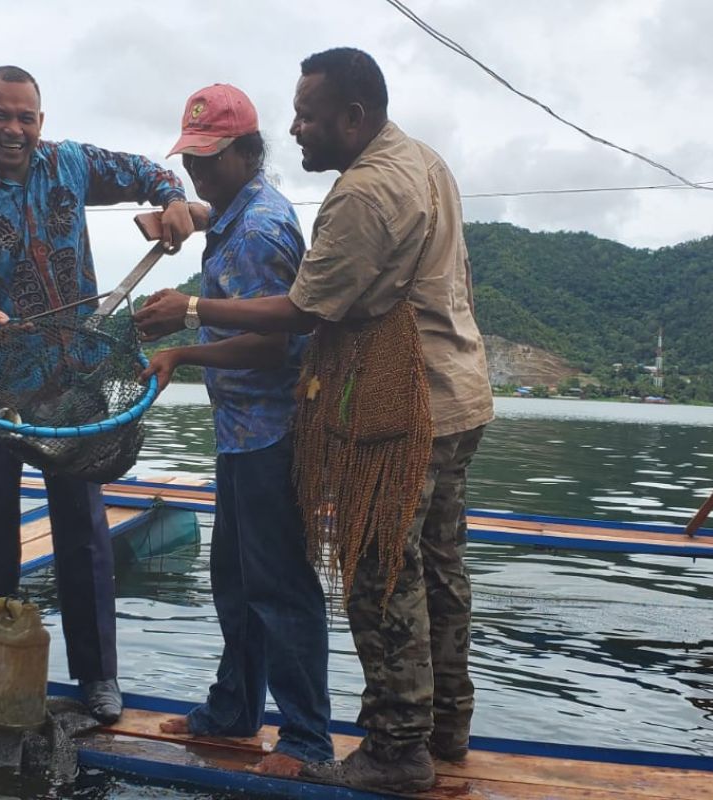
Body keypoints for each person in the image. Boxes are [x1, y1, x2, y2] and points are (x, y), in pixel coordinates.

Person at [135, 48, 494, 794]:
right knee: (437, 571)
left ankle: (390, 749)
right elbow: (239, 219)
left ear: (352, 119)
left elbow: (298, 316)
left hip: (402, 406)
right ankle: (442, 727)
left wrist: (189, 316)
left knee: (380, 577)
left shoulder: (361, 194)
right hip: (456, 394)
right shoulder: (418, 159)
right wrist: (191, 212)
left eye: (308, 115)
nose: (298, 127)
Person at [0, 65, 194, 723]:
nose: (14, 128)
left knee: (82, 531)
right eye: (1, 115)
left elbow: (145, 171)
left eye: (26, 116)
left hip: (74, 384)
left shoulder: (70, 165)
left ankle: (98, 678)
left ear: (41, 122)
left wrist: (176, 199)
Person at [137, 84, 333, 776]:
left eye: (211, 160)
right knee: (234, 582)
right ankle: (233, 712)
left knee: (279, 586)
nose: (199, 171)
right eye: (191, 159)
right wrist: (180, 211)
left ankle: (308, 739)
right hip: (239, 433)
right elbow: (205, 211)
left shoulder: (256, 231)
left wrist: (184, 344)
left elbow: (277, 343)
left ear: (250, 151)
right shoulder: (235, 210)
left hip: (271, 435)